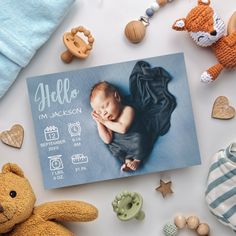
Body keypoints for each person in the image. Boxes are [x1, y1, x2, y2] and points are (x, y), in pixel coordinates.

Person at [90, 81, 145, 171]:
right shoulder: (108, 120)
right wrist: (99, 122)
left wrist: (104, 121)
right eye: (99, 112)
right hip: (123, 145)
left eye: (105, 106)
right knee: (114, 146)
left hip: (134, 140)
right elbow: (107, 139)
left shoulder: (128, 110)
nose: (104, 112)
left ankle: (137, 161)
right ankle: (127, 162)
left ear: (117, 97)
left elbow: (123, 129)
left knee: (139, 139)